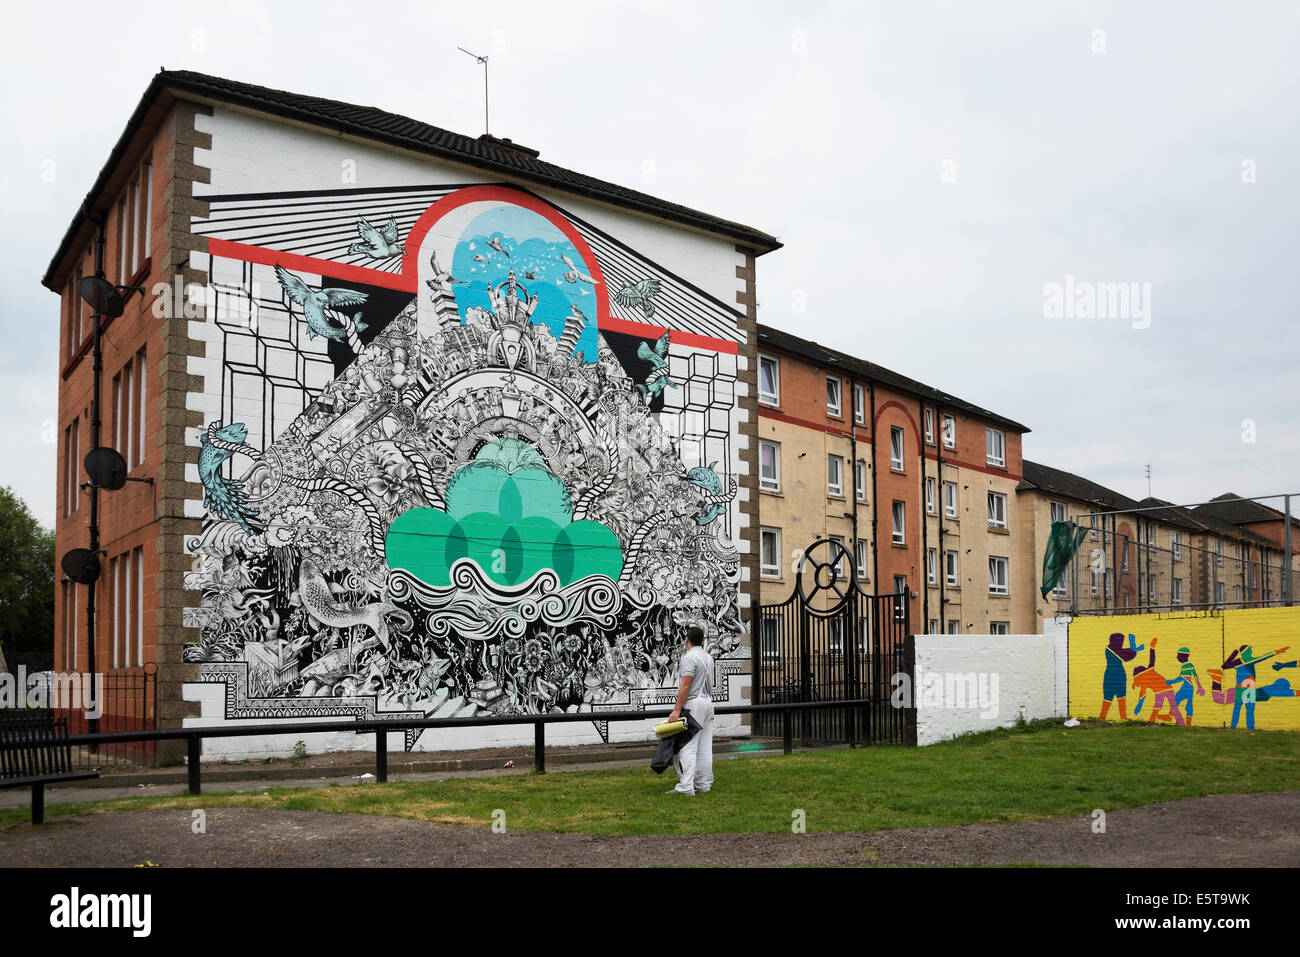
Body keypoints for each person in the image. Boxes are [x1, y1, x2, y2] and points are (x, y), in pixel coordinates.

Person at [667, 625, 714, 796]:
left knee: (688, 746)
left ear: (687, 639)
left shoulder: (689, 657)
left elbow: (686, 684)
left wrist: (676, 709)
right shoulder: (708, 657)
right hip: (708, 702)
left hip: (694, 704)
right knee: (704, 746)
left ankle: (686, 786)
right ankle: (703, 783)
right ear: (702, 640)